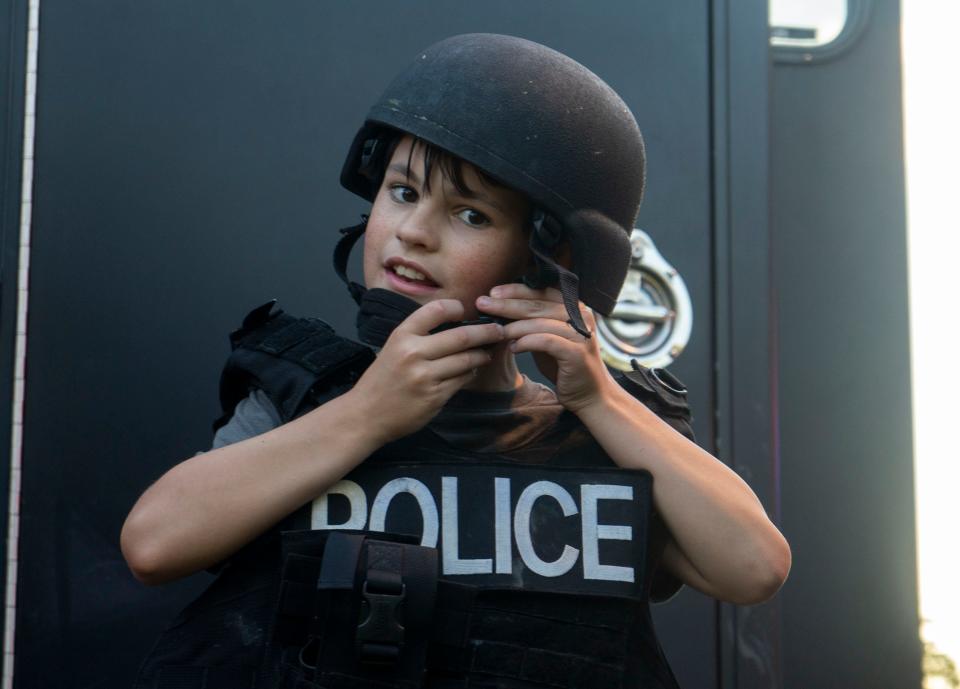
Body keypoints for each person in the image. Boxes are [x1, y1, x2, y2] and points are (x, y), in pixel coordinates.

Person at [121, 33, 790, 689]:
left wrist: (600, 401)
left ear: (549, 262)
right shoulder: (306, 396)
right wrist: (367, 414)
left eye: (470, 215)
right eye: (403, 192)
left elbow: (754, 565)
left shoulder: (604, 437)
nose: (413, 231)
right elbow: (152, 544)